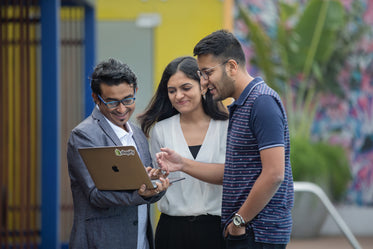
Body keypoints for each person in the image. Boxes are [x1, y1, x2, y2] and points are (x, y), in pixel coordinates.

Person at [156, 30, 294, 249]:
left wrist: (239, 221)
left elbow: (275, 173)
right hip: (243, 232)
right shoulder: (239, 107)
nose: (203, 81)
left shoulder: (262, 102)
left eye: (207, 72)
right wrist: (181, 164)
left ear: (231, 66)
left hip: (257, 233)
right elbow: (234, 172)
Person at [66, 58, 169, 249]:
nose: (122, 109)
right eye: (112, 102)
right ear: (96, 98)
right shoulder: (84, 135)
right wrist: (143, 192)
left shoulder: (137, 134)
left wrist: (155, 183)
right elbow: (95, 195)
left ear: (135, 91)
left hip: (140, 242)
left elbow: (144, 190)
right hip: (102, 242)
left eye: (128, 100)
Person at [137, 56, 229, 249]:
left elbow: (230, 175)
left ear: (203, 86)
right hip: (172, 231)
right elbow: (157, 183)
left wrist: (183, 164)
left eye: (186, 88)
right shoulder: (160, 130)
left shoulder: (227, 126)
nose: (178, 96)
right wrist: (154, 179)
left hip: (217, 230)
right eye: (172, 91)